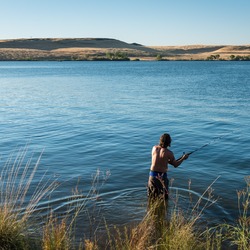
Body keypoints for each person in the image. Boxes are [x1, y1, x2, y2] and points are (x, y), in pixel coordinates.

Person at [147, 133, 189, 200]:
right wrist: (183, 158)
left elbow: (160, 159)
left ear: (160, 141)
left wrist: (169, 160)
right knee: (164, 199)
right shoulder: (169, 153)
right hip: (162, 177)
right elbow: (175, 164)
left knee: (151, 197)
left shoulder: (154, 148)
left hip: (152, 177)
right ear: (169, 143)